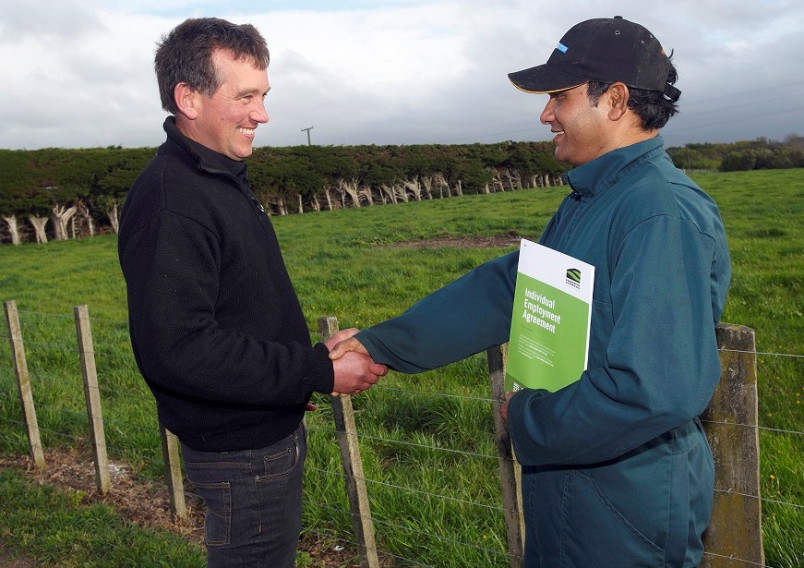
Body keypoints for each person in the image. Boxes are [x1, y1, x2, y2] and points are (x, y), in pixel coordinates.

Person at [329, 16, 731, 567]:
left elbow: (658, 389)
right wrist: (384, 344)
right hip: (575, 487)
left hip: (624, 508)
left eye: (559, 97)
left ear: (614, 100)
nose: (545, 114)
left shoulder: (658, 213)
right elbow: (512, 287)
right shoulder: (597, 198)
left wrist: (528, 420)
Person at [117, 17, 385, 567]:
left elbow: (239, 312)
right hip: (241, 453)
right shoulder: (174, 199)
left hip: (261, 431)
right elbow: (180, 348)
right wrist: (318, 372)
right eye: (245, 97)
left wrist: (309, 363)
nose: (262, 114)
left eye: (263, 95)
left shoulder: (217, 176)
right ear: (188, 97)